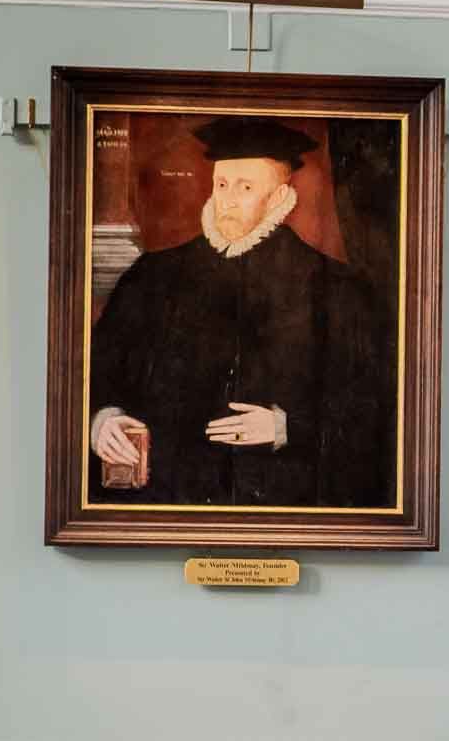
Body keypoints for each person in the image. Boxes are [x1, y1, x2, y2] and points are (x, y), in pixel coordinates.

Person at [89, 114, 391, 507]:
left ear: (280, 199)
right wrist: (102, 421)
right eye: (222, 184)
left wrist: (288, 427)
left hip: (281, 502)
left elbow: (371, 412)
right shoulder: (153, 276)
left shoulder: (337, 290)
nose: (227, 199)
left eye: (245, 187)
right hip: (165, 501)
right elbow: (94, 374)